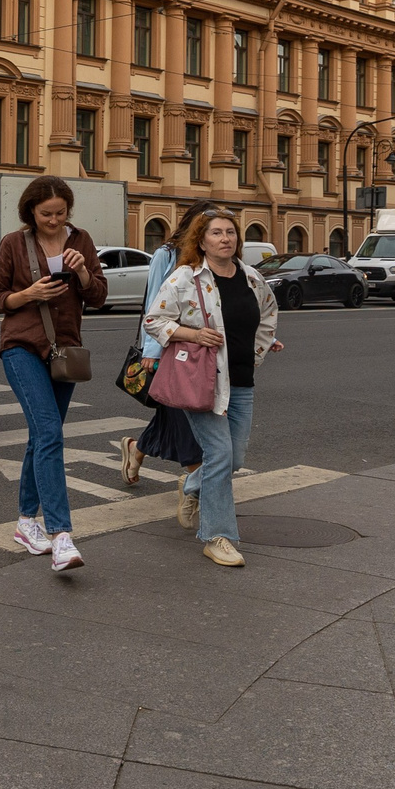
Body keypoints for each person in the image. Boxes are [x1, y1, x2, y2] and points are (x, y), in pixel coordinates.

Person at [145, 210, 282, 568]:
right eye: (217, 233)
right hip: (203, 380)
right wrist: (193, 334)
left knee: (233, 459)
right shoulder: (186, 278)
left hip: (242, 380)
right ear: (201, 240)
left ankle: (192, 485)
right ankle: (217, 536)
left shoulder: (251, 277)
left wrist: (260, 347)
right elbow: (154, 320)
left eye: (231, 233)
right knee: (220, 455)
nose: (226, 238)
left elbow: (266, 314)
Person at [0, 176, 107, 573]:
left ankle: (26, 522)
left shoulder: (81, 241)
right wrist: (30, 295)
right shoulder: (13, 243)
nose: (54, 221)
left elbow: (99, 295)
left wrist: (84, 274)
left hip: (65, 350)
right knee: (50, 432)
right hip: (21, 345)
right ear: (30, 212)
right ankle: (61, 535)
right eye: (45, 214)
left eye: (60, 213)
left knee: (42, 435)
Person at [123, 204, 217, 513]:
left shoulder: (213, 258)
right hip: (169, 349)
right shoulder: (167, 254)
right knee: (183, 419)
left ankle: (136, 450)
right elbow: (154, 303)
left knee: (173, 414)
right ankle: (200, 490)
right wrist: (151, 352)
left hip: (203, 353)